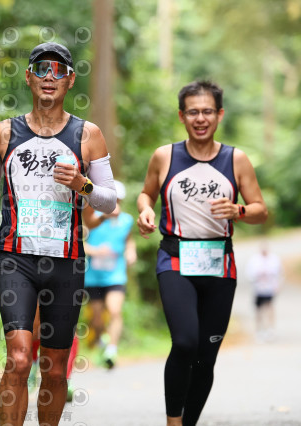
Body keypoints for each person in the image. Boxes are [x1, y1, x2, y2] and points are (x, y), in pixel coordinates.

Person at [0, 42, 117, 426]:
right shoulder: (5, 132)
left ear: (70, 80)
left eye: (58, 70)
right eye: (41, 69)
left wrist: (82, 184)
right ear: (28, 77)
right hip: (15, 258)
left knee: (54, 367)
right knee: (19, 359)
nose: (49, 76)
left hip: (66, 261)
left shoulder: (88, 135)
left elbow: (108, 201)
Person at [136, 80, 268, 426]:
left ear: (219, 115)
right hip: (175, 259)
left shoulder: (235, 159)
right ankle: (173, 421)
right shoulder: (165, 156)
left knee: (206, 356)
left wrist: (238, 210)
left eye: (207, 111)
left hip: (219, 264)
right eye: (193, 112)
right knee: (184, 342)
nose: (200, 118)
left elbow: (260, 210)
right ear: (182, 116)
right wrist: (145, 210)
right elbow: (147, 193)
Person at [83, 180, 136, 369]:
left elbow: (129, 240)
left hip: (115, 276)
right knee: (97, 319)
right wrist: (96, 251)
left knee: (115, 311)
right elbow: (80, 243)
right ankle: (101, 341)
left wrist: (131, 252)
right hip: (93, 277)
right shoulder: (92, 217)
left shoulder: (127, 220)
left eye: (118, 200)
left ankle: (112, 350)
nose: (115, 204)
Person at [246, 243, 282, 342]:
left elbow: (279, 273)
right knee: (259, 310)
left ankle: (270, 329)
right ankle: (259, 330)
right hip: (259, 289)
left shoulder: (274, 259)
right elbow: (249, 274)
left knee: (269, 307)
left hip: (270, 288)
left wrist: (278, 285)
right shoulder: (254, 260)